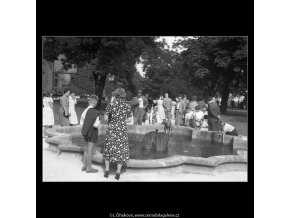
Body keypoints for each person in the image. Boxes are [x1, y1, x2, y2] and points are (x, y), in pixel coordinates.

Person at [103, 88, 131, 180]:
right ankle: (118, 172)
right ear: (123, 96)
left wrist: (112, 119)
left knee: (108, 149)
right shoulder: (127, 106)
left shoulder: (110, 105)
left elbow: (106, 119)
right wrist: (122, 120)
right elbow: (129, 119)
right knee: (121, 150)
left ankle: (107, 171)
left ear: (115, 95)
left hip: (112, 130)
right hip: (122, 131)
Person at [81, 95, 101, 173]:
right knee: (90, 150)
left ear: (89, 101)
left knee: (86, 149)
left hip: (86, 131)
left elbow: (82, 119)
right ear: (95, 102)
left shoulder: (85, 110)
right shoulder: (95, 111)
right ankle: (89, 168)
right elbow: (96, 124)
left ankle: (84, 165)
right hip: (92, 132)